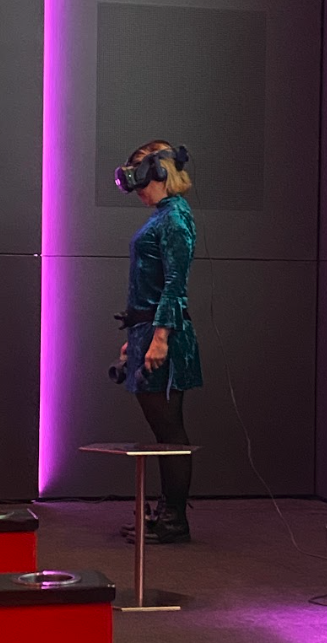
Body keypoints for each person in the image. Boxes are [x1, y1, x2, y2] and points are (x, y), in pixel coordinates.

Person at [113, 140, 203, 544]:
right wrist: (136, 337)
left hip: (163, 335)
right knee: (164, 432)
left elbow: (175, 285)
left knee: (169, 432)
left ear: (160, 173)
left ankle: (174, 519)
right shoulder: (164, 216)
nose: (137, 190)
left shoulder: (175, 218)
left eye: (141, 180)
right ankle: (169, 512)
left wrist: (160, 338)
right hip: (147, 331)